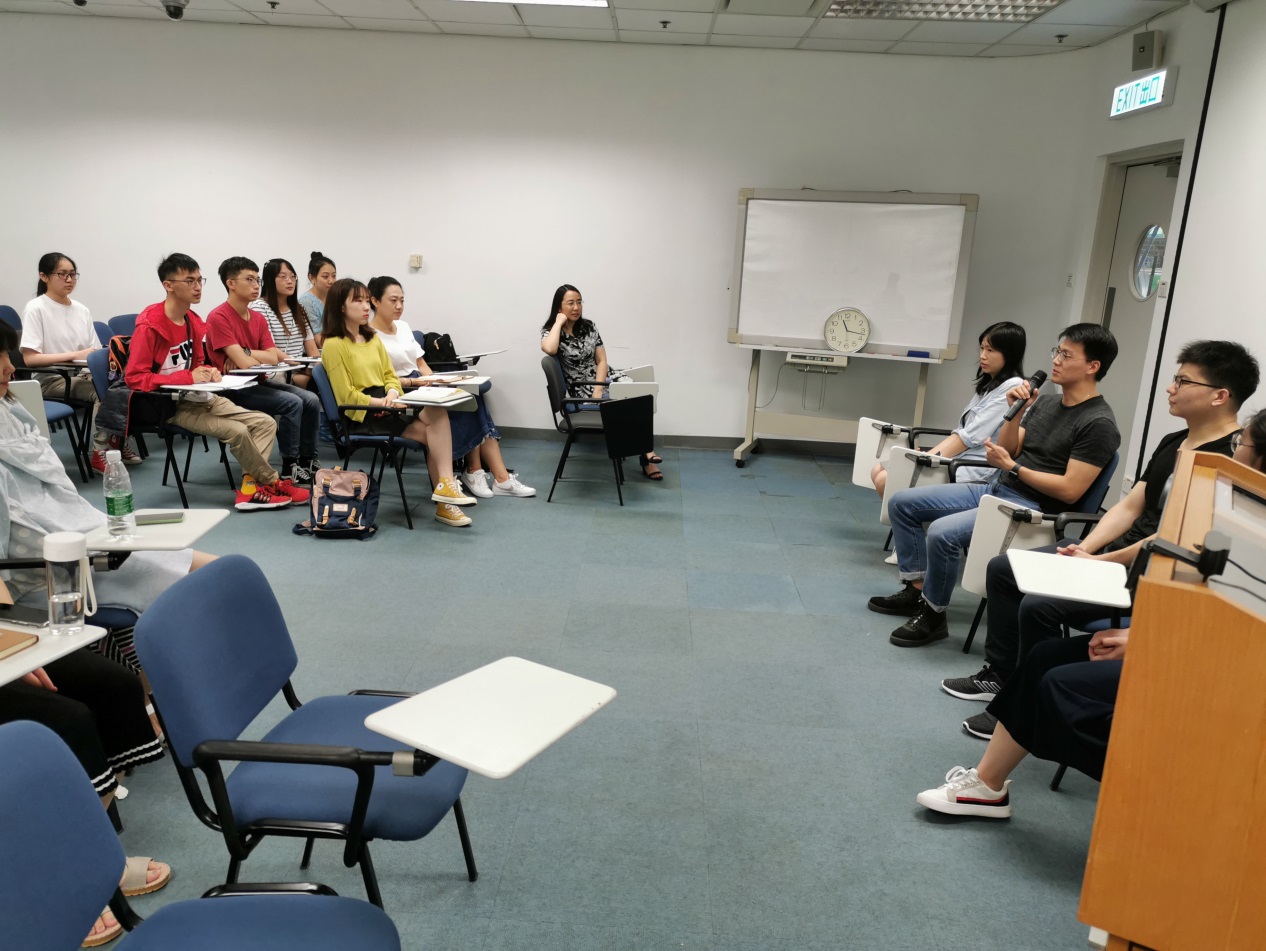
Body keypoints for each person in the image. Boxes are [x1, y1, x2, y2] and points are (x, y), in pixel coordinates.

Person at [916, 408, 1266, 818]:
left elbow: (1236, 631)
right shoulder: (1229, 498)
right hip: (1175, 631)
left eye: (1242, 443)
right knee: (1043, 657)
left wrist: (1144, 638)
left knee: (1060, 687)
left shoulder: (1241, 520)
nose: (1235, 449)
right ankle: (988, 784)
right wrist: (1098, 568)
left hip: (1219, 669)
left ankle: (1151, 800)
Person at [0, 321, 218, 945]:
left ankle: (93, 852)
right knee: (67, 717)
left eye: (6, 359)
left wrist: (16, 644)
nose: (9, 371)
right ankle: (70, 877)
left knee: (113, 686)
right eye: (1, 362)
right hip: (36, 575)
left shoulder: (11, 410)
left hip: (50, 564)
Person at [943, 340, 1258, 738]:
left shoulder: (1231, 460)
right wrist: (1087, 547)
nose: (1171, 388)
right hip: (1114, 556)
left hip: (1151, 573)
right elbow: (1130, 507)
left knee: (1039, 606)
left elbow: (1176, 536)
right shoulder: (1174, 441)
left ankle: (1028, 706)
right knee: (1005, 569)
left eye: (1183, 381)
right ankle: (1001, 676)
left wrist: (1101, 562)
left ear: (1220, 396)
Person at [870, 324, 1121, 648]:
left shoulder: (1098, 423)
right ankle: (915, 590)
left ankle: (933, 616)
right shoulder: (1046, 403)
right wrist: (1014, 415)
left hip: (1031, 509)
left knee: (943, 534)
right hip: (996, 487)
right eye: (1056, 352)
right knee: (902, 502)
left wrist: (1014, 467)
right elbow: (1010, 448)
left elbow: (1070, 490)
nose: (1056, 360)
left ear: (1092, 366)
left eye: (1066, 355)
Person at [123, 253, 308, 512]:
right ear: (168, 285)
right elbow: (135, 378)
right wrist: (189, 377)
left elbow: (198, 364)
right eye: (190, 281)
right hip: (169, 406)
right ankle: (272, 482)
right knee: (238, 431)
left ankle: (250, 489)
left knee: (265, 423)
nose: (197, 286)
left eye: (200, 280)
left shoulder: (193, 321)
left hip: (199, 397)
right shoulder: (151, 326)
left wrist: (209, 371)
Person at [319, 278, 476, 527]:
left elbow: (390, 376)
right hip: (363, 414)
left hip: (387, 404)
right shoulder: (334, 345)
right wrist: (382, 402)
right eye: (357, 301)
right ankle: (446, 501)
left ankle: (446, 489)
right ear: (341, 307)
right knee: (435, 428)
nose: (365, 307)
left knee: (437, 417)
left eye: (366, 300)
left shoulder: (371, 338)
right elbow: (346, 397)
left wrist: (392, 394)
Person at [871, 321, 1026, 563]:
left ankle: (914, 545)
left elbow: (968, 438)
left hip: (974, 469)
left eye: (991, 350)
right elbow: (961, 433)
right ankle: (914, 540)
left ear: (1010, 354)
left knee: (885, 478)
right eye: (982, 348)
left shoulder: (1012, 387)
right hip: (959, 460)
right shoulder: (989, 384)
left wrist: (926, 459)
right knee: (878, 470)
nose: (982, 356)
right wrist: (927, 457)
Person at [367, 276, 534, 499]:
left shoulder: (403, 327)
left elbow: (421, 364)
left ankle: (487, 474)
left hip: (421, 383)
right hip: (401, 389)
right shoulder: (369, 335)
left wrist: (435, 381)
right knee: (461, 406)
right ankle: (481, 473)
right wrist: (418, 383)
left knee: (471, 395)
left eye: (402, 300)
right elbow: (381, 378)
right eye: (393, 300)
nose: (399, 306)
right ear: (375, 301)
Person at [19, 252, 140, 473]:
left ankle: (117, 442)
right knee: (103, 391)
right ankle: (99, 452)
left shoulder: (81, 309)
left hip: (82, 374)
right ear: (44, 277)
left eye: (73, 275)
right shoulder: (36, 308)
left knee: (126, 386)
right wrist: (74, 355)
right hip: (52, 379)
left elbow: (92, 352)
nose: (69, 280)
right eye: (62, 274)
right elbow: (30, 359)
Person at [206, 256, 323, 486]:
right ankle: (290, 466)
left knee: (310, 399)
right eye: (249, 280)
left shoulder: (257, 318)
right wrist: (247, 358)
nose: (256, 285)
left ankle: (308, 460)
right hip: (232, 388)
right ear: (231, 283)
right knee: (292, 403)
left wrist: (245, 352)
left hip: (257, 381)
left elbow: (270, 356)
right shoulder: (218, 316)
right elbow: (245, 363)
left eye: (257, 280)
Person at [540, 283, 663, 480]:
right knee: (629, 403)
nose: (576, 307)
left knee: (639, 394)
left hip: (604, 377)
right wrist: (558, 323)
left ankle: (645, 452)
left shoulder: (589, 327)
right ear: (559, 307)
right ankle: (647, 456)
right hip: (581, 388)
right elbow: (550, 349)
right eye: (570, 303)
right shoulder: (551, 331)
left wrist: (598, 389)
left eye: (579, 302)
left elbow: (602, 360)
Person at [251, 257, 319, 388]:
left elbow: (312, 349)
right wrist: (299, 365)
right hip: (276, 371)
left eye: (293, 277)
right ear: (270, 280)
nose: (290, 281)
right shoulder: (260, 307)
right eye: (283, 277)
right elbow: (269, 348)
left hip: (296, 371)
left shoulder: (299, 309)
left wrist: (317, 368)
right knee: (313, 388)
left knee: (325, 378)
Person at [299, 250, 336, 342]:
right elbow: (317, 338)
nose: (331, 281)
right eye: (325, 277)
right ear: (312, 278)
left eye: (333, 276)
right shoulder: (307, 301)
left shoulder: (335, 297)